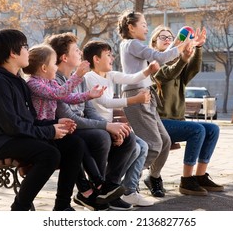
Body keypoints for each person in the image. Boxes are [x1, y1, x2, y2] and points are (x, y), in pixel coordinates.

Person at [0, 29, 84, 211]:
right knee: (49, 154)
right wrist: (50, 131)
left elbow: (29, 121)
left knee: (74, 144)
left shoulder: (17, 81)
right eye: (25, 47)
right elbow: (13, 127)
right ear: (13, 52)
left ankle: (62, 206)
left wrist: (54, 126)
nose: (28, 51)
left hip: (13, 137)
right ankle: (19, 208)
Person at [45, 32, 137, 211]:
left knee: (128, 137)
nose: (81, 53)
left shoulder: (77, 78)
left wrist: (112, 128)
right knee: (101, 136)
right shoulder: (54, 80)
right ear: (64, 57)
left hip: (81, 129)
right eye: (76, 50)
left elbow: (89, 110)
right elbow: (70, 118)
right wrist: (106, 126)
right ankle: (96, 190)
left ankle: (108, 189)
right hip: (66, 131)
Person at [22, 43, 108, 202]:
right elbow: (59, 93)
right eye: (54, 63)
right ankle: (91, 185)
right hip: (41, 131)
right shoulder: (33, 83)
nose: (56, 67)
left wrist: (89, 94)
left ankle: (97, 181)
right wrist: (77, 76)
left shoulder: (50, 81)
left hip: (52, 127)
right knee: (75, 144)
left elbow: (67, 97)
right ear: (44, 68)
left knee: (78, 143)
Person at [117, 10, 187, 197]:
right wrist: (182, 46)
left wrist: (177, 43)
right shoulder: (132, 44)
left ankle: (150, 176)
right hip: (137, 95)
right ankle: (124, 183)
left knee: (164, 141)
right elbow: (161, 57)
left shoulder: (133, 45)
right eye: (144, 25)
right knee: (154, 144)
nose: (147, 28)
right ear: (131, 27)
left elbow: (158, 56)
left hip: (147, 95)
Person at [83, 40, 160, 207]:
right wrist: (135, 100)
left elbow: (132, 78)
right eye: (108, 55)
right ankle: (112, 188)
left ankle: (124, 188)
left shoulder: (110, 75)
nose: (112, 58)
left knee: (143, 146)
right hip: (100, 128)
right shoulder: (89, 77)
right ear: (96, 59)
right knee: (136, 147)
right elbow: (106, 102)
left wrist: (148, 70)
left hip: (111, 127)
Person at [149, 25, 224, 196]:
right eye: (163, 37)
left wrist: (197, 47)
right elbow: (167, 73)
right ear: (154, 44)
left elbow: (193, 69)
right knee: (197, 130)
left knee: (212, 129)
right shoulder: (152, 64)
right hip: (158, 123)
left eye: (170, 36)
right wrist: (179, 55)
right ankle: (186, 180)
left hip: (176, 122)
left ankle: (199, 176)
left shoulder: (179, 64)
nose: (168, 39)